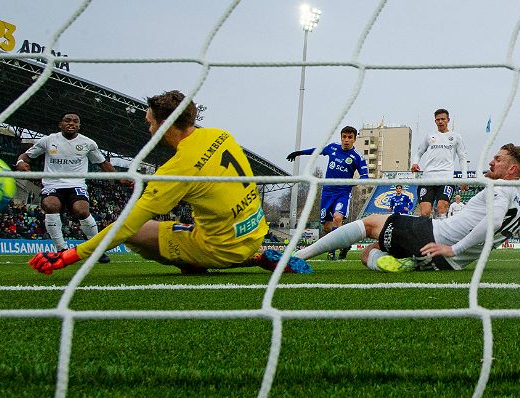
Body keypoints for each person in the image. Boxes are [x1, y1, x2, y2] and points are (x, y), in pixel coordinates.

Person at [29, 90, 311, 276]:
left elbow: (128, 224)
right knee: (184, 225)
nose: (148, 127)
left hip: (223, 248)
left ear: (164, 125)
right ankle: (257, 254)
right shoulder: (221, 134)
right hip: (256, 230)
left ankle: (220, 260)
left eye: (150, 122)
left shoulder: (176, 170)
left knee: (138, 234)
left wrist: (69, 256)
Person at [294, 144, 520, 272]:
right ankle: (402, 264)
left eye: (498, 159)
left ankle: (298, 256)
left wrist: (452, 247)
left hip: (436, 238)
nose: (491, 161)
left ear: (512, 170)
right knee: (367, 253)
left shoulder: (501, 189)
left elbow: (494, 221)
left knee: (369, 223)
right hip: (451, 265)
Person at [17, 113, 120, 264]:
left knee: (82, 210)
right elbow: (25, 156)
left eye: (75, 121)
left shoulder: (88, 143)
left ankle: (96, 249)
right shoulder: (48, 140)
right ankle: (61, 250)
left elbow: (103, 163)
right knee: (51, 205)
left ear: (79, 126)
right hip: (53, 185)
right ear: (60, 124)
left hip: (76, 185)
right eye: (67, 120)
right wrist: (20, 162)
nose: (71, 123)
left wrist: (119, 178)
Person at [286, 126, 369, 260]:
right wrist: (299, 153)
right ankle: (344, 245)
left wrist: (352, 183)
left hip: (343, 192)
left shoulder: (357, 157)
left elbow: (365, 176)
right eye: (344, 137)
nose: (346, 140)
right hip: (327, 191)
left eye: (349, 137)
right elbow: (317, 151)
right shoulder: (332, 148)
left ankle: (331, 252)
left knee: (337, 218)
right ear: (341, 137)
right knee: (326, 227)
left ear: (354, 139)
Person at [411, 108, 468, 219]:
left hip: (446, 178)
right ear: (435, 121)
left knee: (442, 208)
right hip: (428, 178)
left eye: (443, 119)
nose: (440, 121)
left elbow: (462, 157)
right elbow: (419, 152)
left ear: (448, 120)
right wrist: (415, 163)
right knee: (425, 213)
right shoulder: (429, 136)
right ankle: (425, 236)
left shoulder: (456, 137)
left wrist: (464, 177)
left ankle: (441, 235)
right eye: (438, 119)